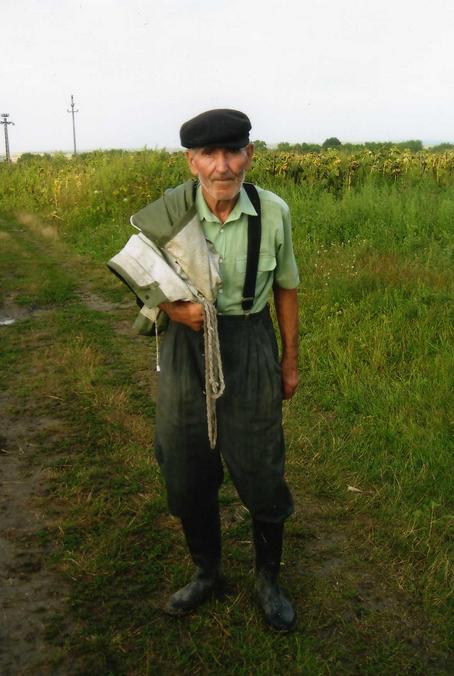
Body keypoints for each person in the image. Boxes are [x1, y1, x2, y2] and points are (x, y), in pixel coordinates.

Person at [140, 109, 299, 631]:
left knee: (261, 461)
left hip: (250, 340)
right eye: (209, 154)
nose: (223, 166)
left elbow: (286, 288)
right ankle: (208, 573)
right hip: (188, 346)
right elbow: (138, 271)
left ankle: (267, 578)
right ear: (192, 161)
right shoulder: (170, 213)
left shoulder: (274, 212)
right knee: (184, 458)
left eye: (233, 152)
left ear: (249, 155)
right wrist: (170, 309)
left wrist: (289, 361)